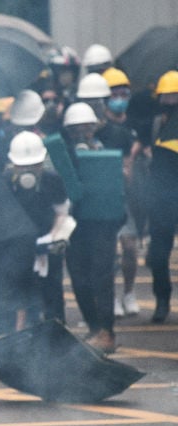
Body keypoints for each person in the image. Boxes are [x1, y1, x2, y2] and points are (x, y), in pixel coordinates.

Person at [62, 102, 125, 353]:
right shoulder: (64, 157)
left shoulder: (105, 157)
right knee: (78, 276)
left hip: (102, 225)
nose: (82, 134)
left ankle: (107, 331)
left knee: (102, 276)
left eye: (86, 129)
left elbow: (116, 192)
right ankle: (93, 326)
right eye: (75, 130)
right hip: (76, 223)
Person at [4, 131, 72, 329]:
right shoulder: (5, 181)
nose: (28, 170)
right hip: (16, 244)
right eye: (23, 165)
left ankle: (56, 333)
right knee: (16, 291)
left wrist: (52, 237)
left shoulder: (53, 180)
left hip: (46, 242)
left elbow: (62, 212)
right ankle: (15, 336)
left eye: (33, 165)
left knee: (52, 290)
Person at [99, 68, 143, 317]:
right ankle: (112, 296)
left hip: (128, 195)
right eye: (115, 93)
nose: (120, 98)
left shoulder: (133, 124)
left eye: (124, 93)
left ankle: (128, 292)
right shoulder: (99, 128)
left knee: (129, 247)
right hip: (105, 195)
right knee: (107, 250)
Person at [147, 70, 178, 323]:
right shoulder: (156, 123)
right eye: (165, 98)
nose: (169, 103)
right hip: (161, 199)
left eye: (174, 98)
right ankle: (162, 298)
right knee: (157, 255)